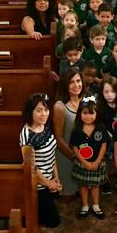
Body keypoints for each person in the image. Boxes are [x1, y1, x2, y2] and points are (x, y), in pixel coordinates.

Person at [19, 92, 62, 228]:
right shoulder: (27, 135)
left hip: (49, 179)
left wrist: (56, 178)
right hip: (37, 184)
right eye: (38, 111)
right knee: (53, 222)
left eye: (46, 110)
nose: (43, 114)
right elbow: (31, 167)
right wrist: (48, 183)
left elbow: (52, 154)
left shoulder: (45, 126)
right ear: (30, 112)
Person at [70, 95, 108, 220]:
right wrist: (84, 162)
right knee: (83, 185)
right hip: (82, 163)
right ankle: (85, 206)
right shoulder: (77, 130)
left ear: (97, 114)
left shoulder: (100, 128)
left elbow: (103, 145)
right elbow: (75, 147)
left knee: (95, 185)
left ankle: (96, 206)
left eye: (91, 113)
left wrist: (97, 162)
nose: (88, 116)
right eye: (85, 113)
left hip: (97, 162)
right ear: (80, 114)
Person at [53, 68, 84, 198]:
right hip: (67, 157)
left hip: (84, 155)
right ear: (65, 85)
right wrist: (75, 158)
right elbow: (59, 139)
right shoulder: (60, 107)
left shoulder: (86, 102)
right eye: (72, 82)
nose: (76, 85)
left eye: (78, 81)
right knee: (69, 198)